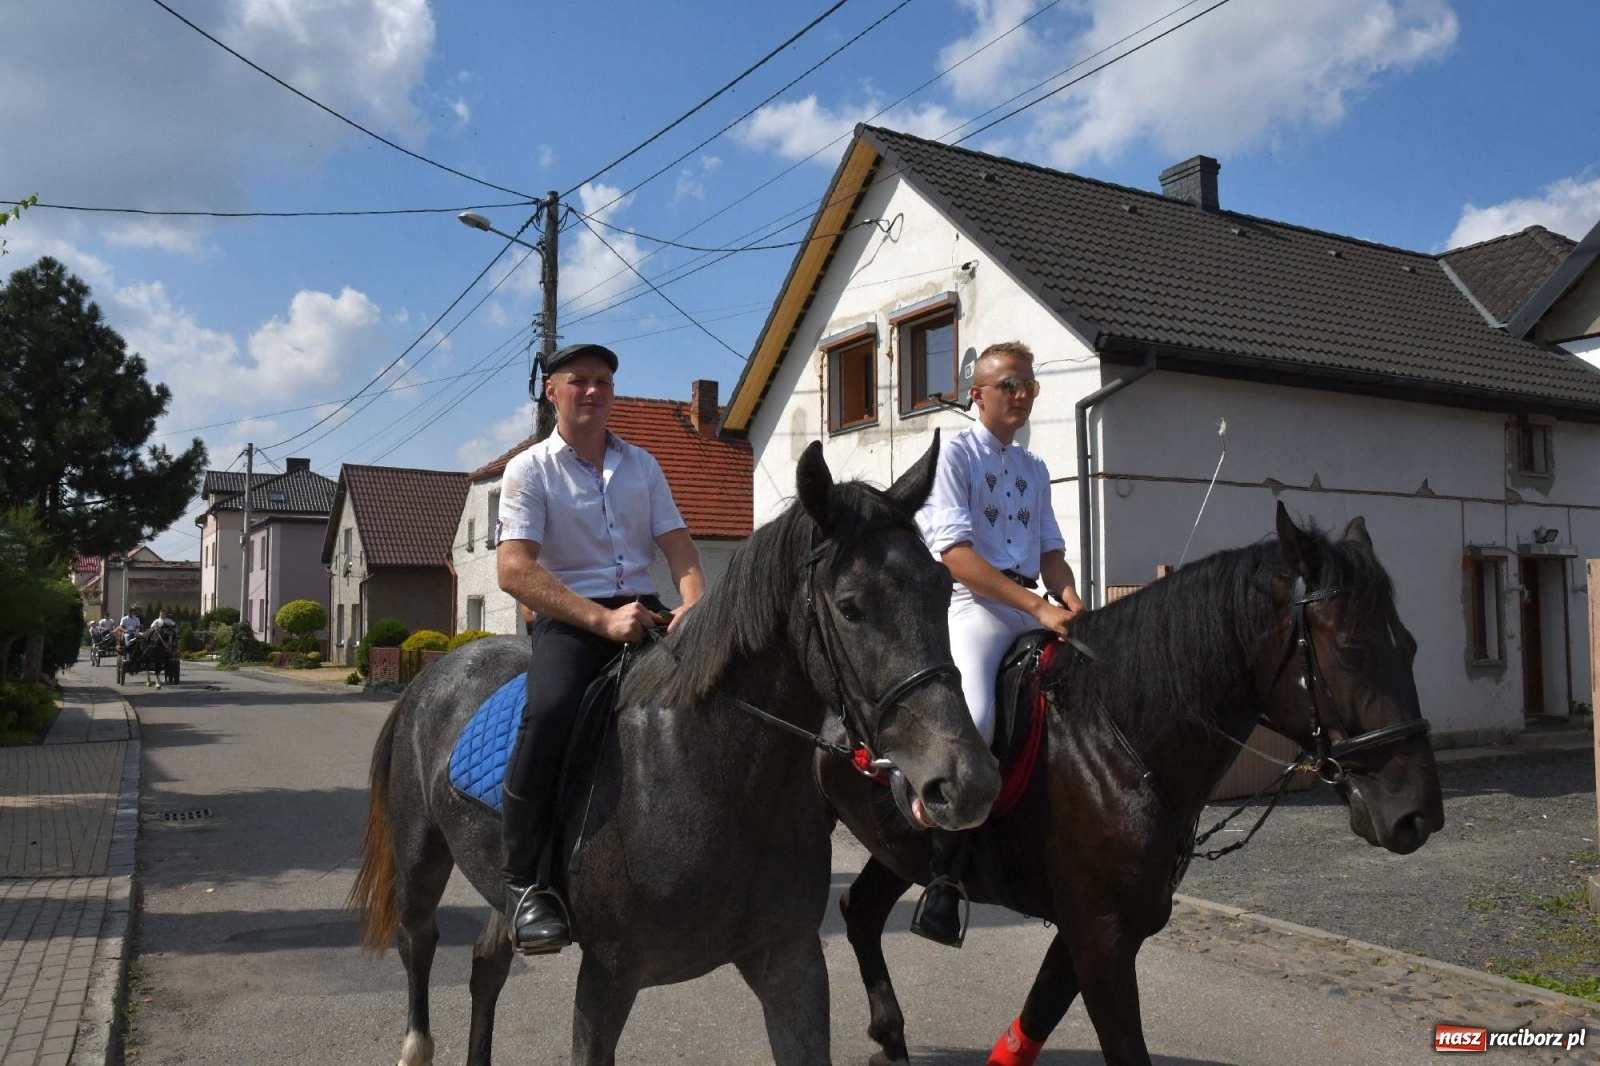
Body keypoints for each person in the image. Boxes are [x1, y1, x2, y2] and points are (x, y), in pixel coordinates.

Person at [494, 342, 705, 955]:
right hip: (572, 618)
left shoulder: (643, 464)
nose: (593, 391)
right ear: (552, 392)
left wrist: (693, 603)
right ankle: (525, 885)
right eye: (579, 381)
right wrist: (601, 621)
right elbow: (513, 570)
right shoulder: (528, 470)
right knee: (554, 710)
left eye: (604, 382)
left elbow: (680, 547)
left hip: (645, 610)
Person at [913, 340, 1086, 947]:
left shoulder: (1034, 468)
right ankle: (941, 874)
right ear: (978, 395)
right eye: (1009, 385)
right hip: (976, 607)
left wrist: (1070, 601)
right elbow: (957, 557)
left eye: (1028, 386)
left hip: (1030, 602)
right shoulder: (954, 455)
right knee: (978, 722)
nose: (1021, 395)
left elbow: (1051, 555)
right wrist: (1038, 605)